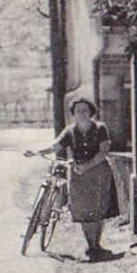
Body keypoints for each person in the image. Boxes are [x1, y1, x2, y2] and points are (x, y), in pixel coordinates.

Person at [27, 96, 120, 260]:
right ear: (73, 114)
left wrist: (87, 166)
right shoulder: (70, 131)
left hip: (98, 172)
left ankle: (96, 244)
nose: (82, 114)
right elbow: (55, 146)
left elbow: (103, 151)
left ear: (90, 112)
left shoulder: (100, 128)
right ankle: (90, 244)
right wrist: (36, 151)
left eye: (85, 110)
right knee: (82, 209)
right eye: (78, 111)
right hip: (77, 173)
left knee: (98, 209)